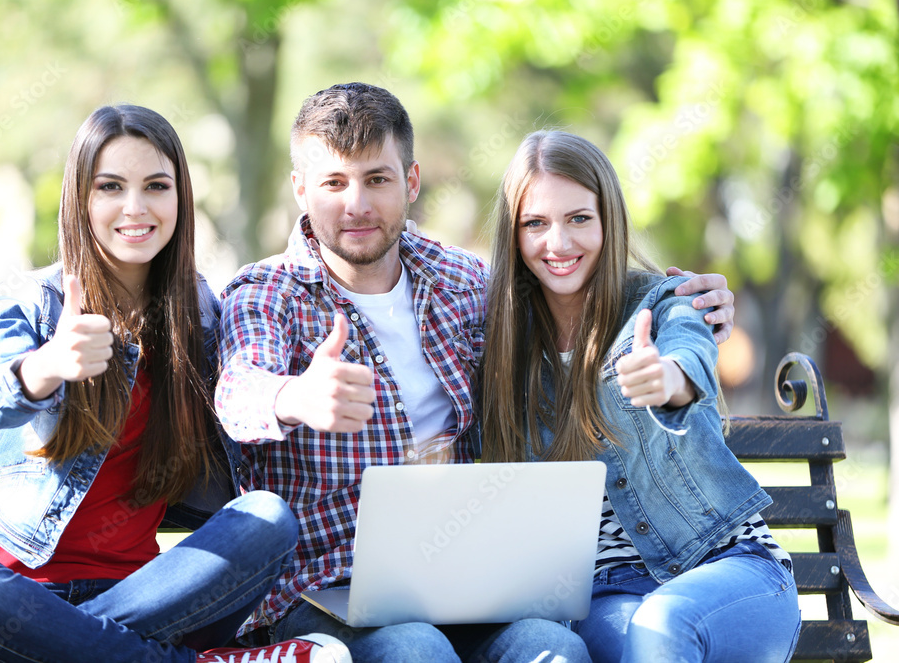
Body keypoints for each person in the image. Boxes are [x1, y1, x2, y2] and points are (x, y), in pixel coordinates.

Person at [215, 83, 736, 663]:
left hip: (467, 580)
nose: (356, 204)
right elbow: (238, 390)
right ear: (300, 188)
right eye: (334, 183)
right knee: (417, 649)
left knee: (554, 648)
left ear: (411, 182)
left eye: (377, 179)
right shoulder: (265, 294)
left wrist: (679, 305)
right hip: (330, 590)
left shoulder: (464, 283)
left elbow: (571, 291)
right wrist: (294, 396)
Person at [0, 105, 350, 663]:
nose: (135, 208)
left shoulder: (200, 315)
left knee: (267, 518)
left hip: (142, 599)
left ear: (179, 198)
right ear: (81, 199)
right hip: (5, 591)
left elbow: (242, 398)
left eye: (156, 186)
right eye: (111, 187)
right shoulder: (29, 302)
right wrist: (49, 365)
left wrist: (293, 397)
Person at [479, 130, 801, 662]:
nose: (557, 243)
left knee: (663, 622)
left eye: (579, 218)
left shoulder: (664, 303)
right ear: (513, 236)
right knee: (632, 632)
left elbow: (687, 356)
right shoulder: (503, 348)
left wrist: (666, 382)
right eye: (535, 223)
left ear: (610, 220)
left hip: (729, 569)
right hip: (609, 596)